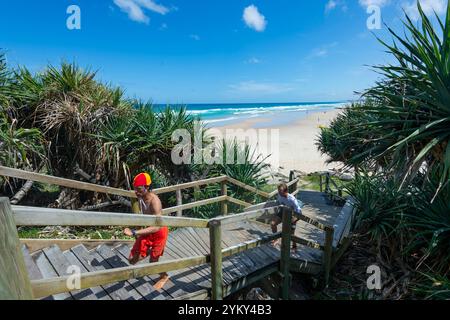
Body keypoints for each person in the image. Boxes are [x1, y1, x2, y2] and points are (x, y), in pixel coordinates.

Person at [123, 172, 169, 291]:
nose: (136, 192)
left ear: (147, 187)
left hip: (159, 233)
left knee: (153, 261)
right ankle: (148, 251)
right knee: (132, 260)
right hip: (148, 231)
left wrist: (134, 233)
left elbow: (157, 227)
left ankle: (164, 276)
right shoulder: (140, 197)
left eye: (138, 189)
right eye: (135, 189)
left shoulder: (155, 202)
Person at [271, 183, 303, 250]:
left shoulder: (292, 199)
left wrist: (294, 220)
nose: (279, 192)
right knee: (273, 224)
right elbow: (278, 203)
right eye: (278, 190)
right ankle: (276, 239)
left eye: (280, 191)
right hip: (283, 211)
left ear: (286, 191)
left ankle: (294, 246)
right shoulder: (279, 195)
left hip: (292, 214)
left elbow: (300, 212)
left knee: (291, 233)